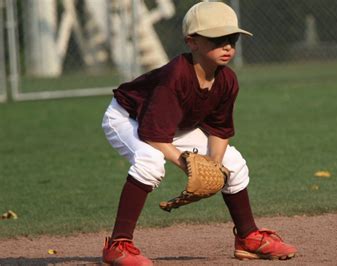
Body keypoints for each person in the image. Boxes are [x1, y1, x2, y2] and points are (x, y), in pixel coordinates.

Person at [101, 2, 297, 265]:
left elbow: (219, 129)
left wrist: (214, 166)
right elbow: (153, 134)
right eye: (217, 39)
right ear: (192, 42)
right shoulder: (176, 76)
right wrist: (187, 164)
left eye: (232, 38)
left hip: (173, 125)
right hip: (129, 117)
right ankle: (118, 245)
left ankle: (248, 237)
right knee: (150, 161)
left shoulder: (227, 80)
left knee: (234, 164)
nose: (227, 46)